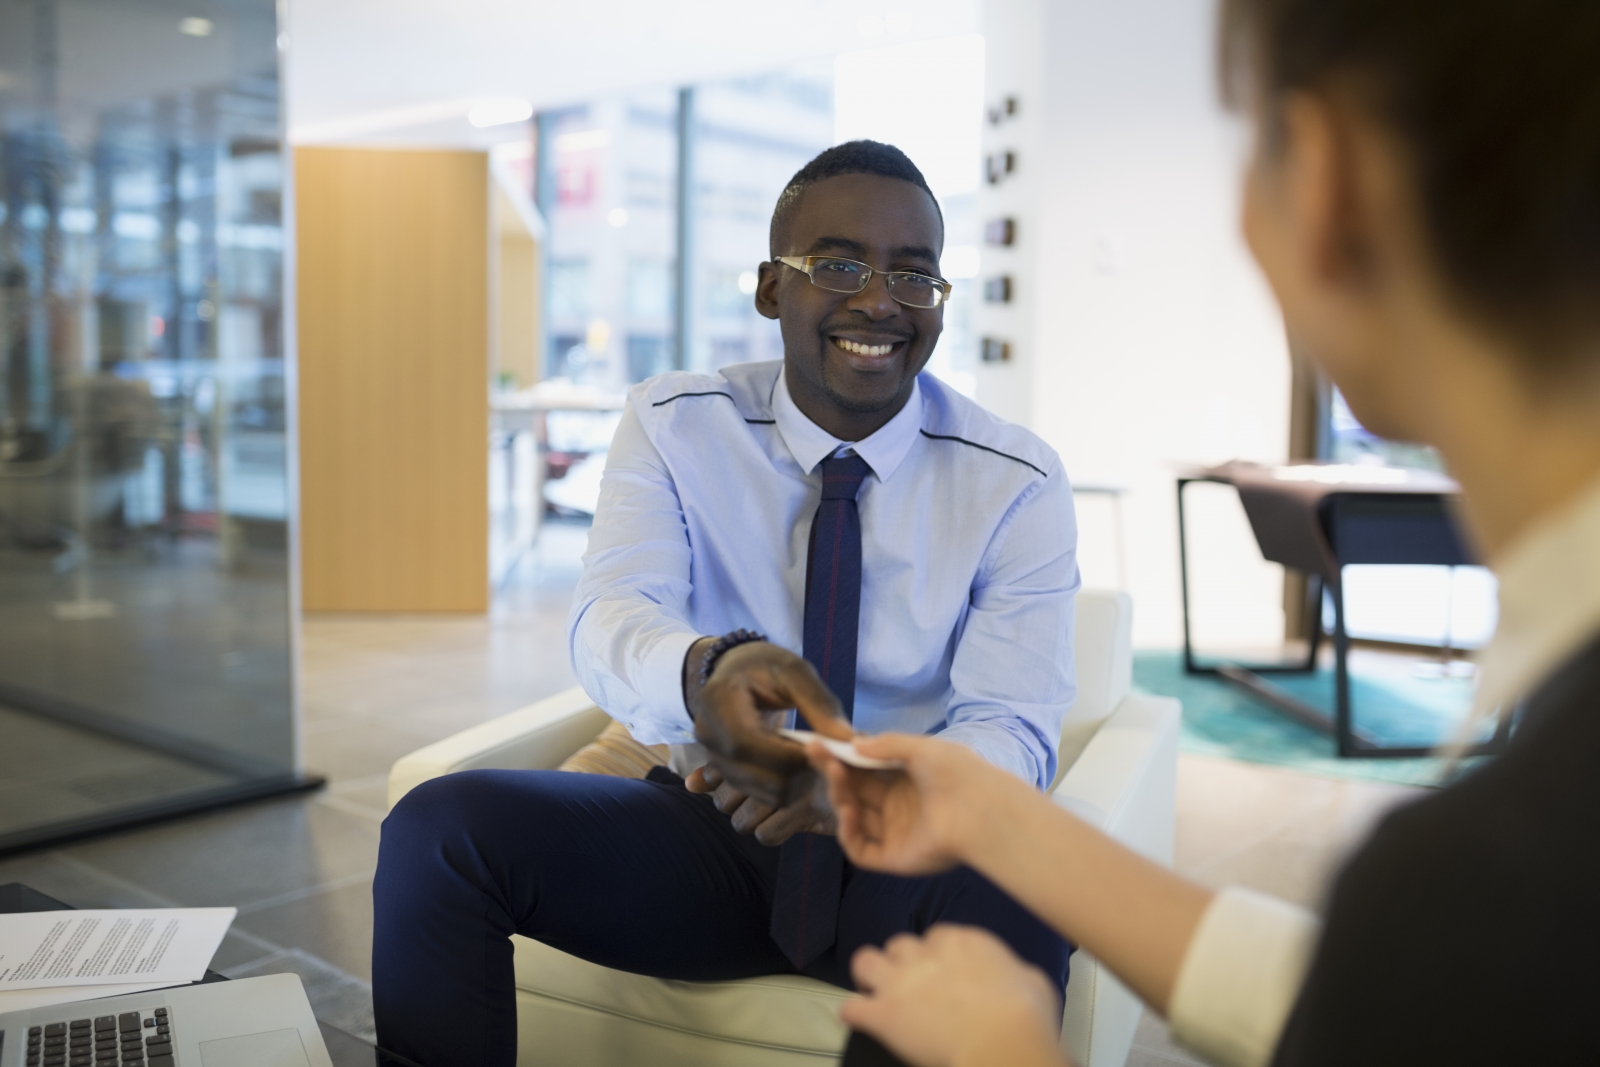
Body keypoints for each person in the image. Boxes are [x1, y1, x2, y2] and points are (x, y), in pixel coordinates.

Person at [792, 1, 1600, 1065]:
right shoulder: (1498, 884)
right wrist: (993, 816)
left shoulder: (1493, 868)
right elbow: (1404, 994)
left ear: (1324, 180)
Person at [371, 140, 1081, 1067]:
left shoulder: (1016, 481)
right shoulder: (676, 424)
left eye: (914, 276)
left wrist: (866, 784)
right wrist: (708, 673)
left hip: (907, 849)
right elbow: (611, 615)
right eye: (838, 265)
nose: (879, 301)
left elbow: (1014, 729)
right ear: (771, 288)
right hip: (714, 833)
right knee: (439, 829)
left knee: (1027, 893)